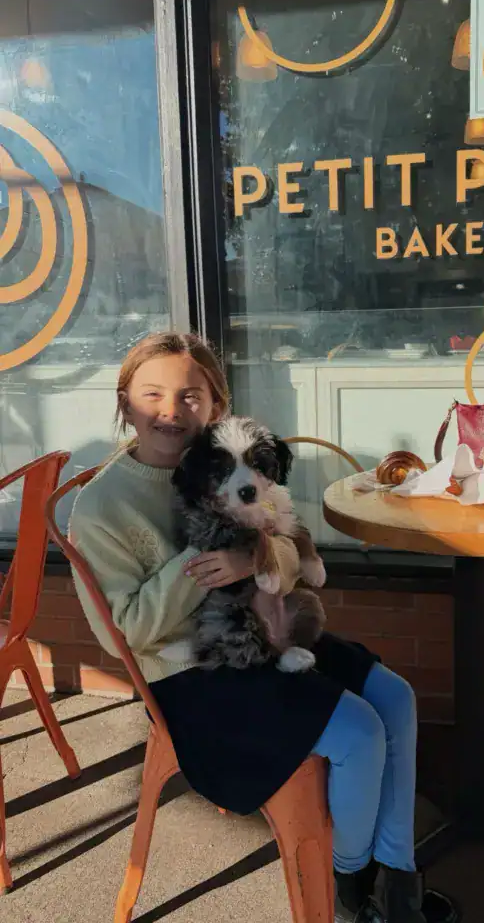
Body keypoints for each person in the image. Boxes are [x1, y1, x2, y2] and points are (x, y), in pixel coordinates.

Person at [68, 331, 457, 923]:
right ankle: (352, 879)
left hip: (265, 631)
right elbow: (126, 635)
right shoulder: (102, 507)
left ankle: (396, 880)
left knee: (395, 699)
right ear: (125, 404)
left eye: (190, 397)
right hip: (189, 675)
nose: (171, 412)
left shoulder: (233, 459)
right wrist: (204, 565)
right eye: (152, 395)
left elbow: (292, 552)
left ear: (216, 406)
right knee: (360, 734)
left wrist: (260, 557)